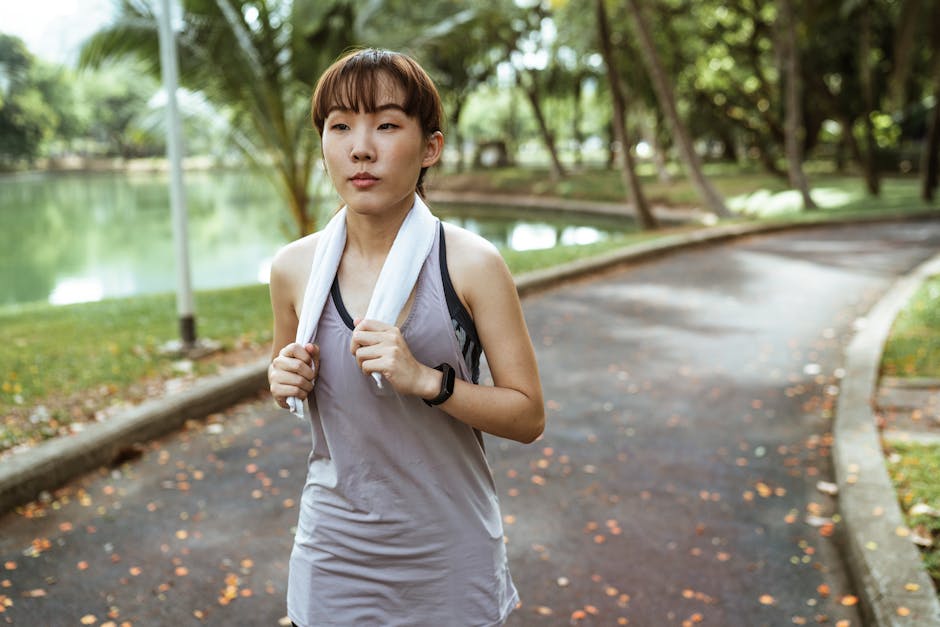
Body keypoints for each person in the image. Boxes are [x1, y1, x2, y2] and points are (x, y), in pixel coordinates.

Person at [267, 48, 545, 626]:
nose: (360, 147)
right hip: (332, 550)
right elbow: (285, 381)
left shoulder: (471, 264)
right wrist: (279, 377)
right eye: (340, 126)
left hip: (448, 555)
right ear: (324, 145)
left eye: (387, 125)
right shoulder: (294, 269)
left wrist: (426, 381)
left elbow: (527, 416)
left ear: (430, 148)